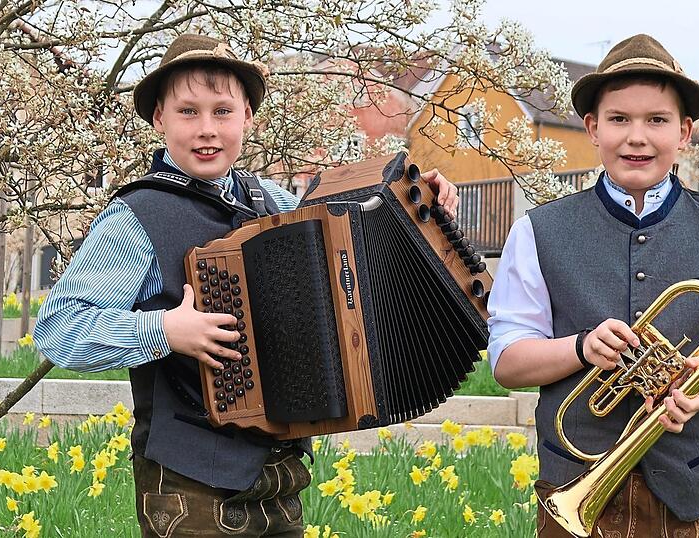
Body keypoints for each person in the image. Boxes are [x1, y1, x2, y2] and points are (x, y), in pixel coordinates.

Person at [34, 33, 460, 537]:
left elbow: (352, 244)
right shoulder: (135, 217)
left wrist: (418, 209)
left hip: (280, 482)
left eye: (222, 111)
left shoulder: (275, 202)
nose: (207, 130)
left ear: (248, 119)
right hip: (188, 490)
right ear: (159, 121)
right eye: (188, 112)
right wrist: (166, 331)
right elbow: (57, 330)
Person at [485, 34, 699, 537]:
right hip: (576, 480)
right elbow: (507, 361)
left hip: (698, 497)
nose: (636, 137)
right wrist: (581, 348)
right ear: (593, 128)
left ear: (685, 132)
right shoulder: (537, 231)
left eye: (657, 120)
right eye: (619, 119)